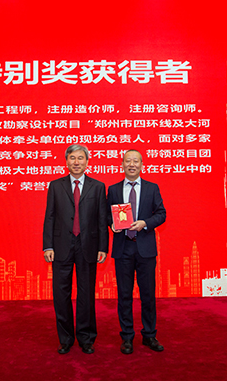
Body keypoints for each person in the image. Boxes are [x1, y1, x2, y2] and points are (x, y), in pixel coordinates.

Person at [43, 144, 108, 355]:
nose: (77, 162)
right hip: (61, 245)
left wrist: (103, 247)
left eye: (81, 158)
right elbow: (50, 217)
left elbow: (101, 219)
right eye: (72, 158)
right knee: (61, 293)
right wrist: (48, 245)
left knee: (86, 293)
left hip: (88, 245)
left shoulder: (98, 187)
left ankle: (86, 338)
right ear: (66, 161)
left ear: (87, 161)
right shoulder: (56, 186)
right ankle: (65, 339)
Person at [108, 150, 166, 354]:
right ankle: (127, 337)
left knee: (147, 294)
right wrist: (112, 224)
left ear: (142, 164)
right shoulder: (114, 189)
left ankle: (149, 335)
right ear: (122, 164)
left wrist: (145, 223)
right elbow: (106, 214)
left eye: (135, 161)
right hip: (123, 247)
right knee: (124, 295)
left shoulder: (152, 188)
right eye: (128, 161)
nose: (131, 164)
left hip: (145, 249)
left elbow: (161, 214)